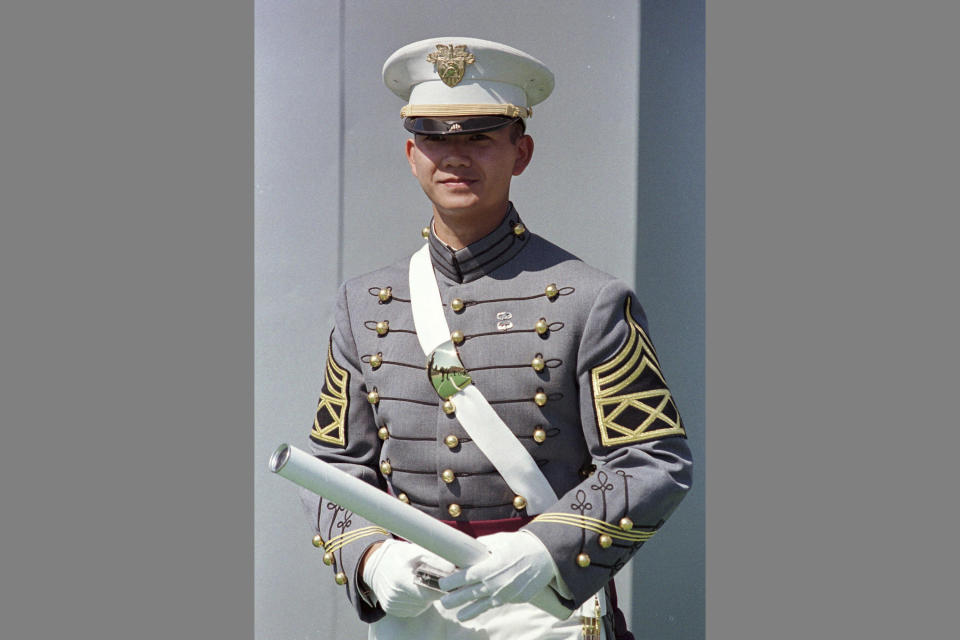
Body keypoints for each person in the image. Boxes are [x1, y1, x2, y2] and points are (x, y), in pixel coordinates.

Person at [300, 37, 692, 640]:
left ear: (522, 151)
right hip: (412, 610)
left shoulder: (591, 300)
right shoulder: (363, 304)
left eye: (479, 137)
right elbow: (333, 465)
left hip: (540, 607)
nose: (455, 157)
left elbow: (651, 461)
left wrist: (547, 550)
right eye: (435, 137)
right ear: (411, 153)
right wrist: (374, 560)